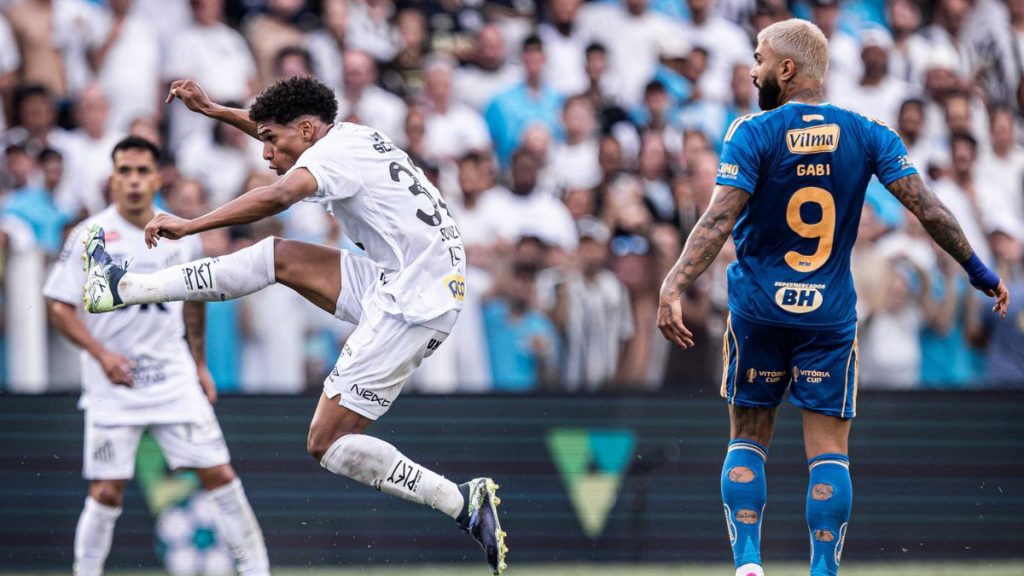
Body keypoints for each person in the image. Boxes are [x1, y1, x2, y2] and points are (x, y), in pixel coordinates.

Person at [82, 75, 507, 574]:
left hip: (414, 303)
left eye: (271, 140)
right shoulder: (347, 137)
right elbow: (279, 135)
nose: (265, 152)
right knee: (277, 257)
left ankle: (460, 501)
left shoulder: (331, 156)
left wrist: (191, 223)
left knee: (325, 442)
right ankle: (123, 287)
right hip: (409, 280)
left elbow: (279, 196)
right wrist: (215, 110)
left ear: (306, 130)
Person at [656, 19, 1011, 576]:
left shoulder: (751, 131)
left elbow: (718, 219)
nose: (752, 70)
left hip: (759, 312)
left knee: (748, 437)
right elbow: (929, 209)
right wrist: (978, 270)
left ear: (787, 68)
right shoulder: (867, 132)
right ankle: (823, 570)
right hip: (827, 316)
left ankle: (748, 565)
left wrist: (673, 283)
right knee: (829, 452)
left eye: (760, 59)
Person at [43, 136, 270, 576]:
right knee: (106, 492)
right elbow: (58, 306)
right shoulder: (90, 234)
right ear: (112, 178)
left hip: (173, 377)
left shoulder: (180, 235)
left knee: (220, 477)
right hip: (113, 384)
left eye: (142, 171)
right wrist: (102, 355)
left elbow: (196, 299)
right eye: (124, 171)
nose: (133, 180)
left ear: (158, 178)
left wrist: (199, 365)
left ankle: (257, 571)